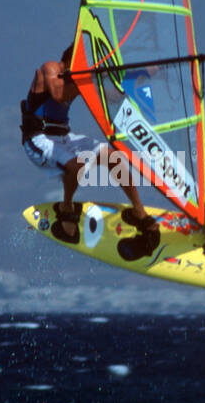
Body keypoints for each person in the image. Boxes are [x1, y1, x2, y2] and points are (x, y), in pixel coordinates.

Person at [21, 44, 157, 250]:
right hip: (38, 139)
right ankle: (66, 208)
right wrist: (85, 77)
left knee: (114, 157)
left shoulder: (79, 79)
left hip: (64, 137)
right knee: (76, 166)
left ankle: (139, 212)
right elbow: (59, 95)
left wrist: (139, 76)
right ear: (72, 61)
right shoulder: (50, 68)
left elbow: (111, 96)